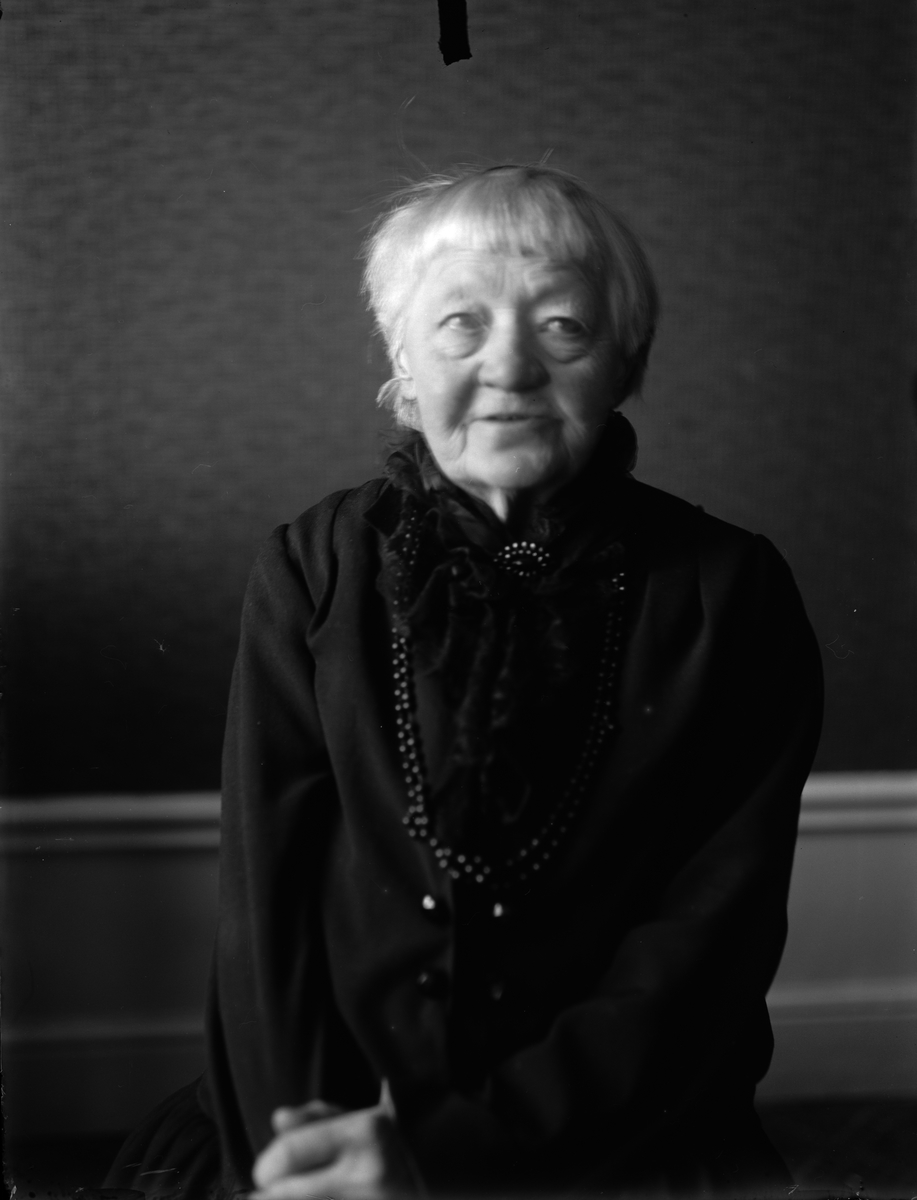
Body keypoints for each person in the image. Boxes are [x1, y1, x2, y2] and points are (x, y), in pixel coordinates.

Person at [106, 164, 823, 1199]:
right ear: (402, 365)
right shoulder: (312, 567)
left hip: (612, 1127)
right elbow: (265, 909)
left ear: (623, 365)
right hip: (329, 1107)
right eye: (459, 325)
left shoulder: (731, 592)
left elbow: (709, 942)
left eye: (563, 327)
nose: (511, 367)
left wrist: (450, 1154)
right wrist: (296, 1148)